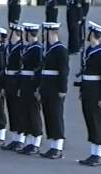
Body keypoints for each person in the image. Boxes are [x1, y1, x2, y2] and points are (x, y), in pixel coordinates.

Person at [78, 21, 101, 167]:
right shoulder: (89, 50)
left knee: (97, 121)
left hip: (96, 91)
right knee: (90, 120)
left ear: (92, 34)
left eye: (89, 32)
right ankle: (93, 153)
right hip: (88, 90)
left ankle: (99, 154)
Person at [39, 22, 69, 159]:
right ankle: (52, 145)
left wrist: (63, 89)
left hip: (55, 88)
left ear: (50, 32)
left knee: (56, 116)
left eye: (44, 32)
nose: (43, 35)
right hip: (46, 87)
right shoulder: (49, 48)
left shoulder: (60, 49)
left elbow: (63, 71)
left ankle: (58, 147)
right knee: (49, 115)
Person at [16, 23, 43, 155]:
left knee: (34, 113)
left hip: (32, 84)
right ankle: (29, 142)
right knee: (25, 113)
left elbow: (38, 70)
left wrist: (38, 88)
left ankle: (36, 142)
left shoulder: (37, 48)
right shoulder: (28, 47)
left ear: (29, 33)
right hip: (25, 83)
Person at [1, 23, 25, 151]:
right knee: (11, 110)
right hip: (9, 80)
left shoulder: (21, 48)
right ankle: (14, 138)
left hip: (16, 81)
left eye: (12, 32)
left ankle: (20, 139)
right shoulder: (8, 48)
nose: (10, 35)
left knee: (18, 111)